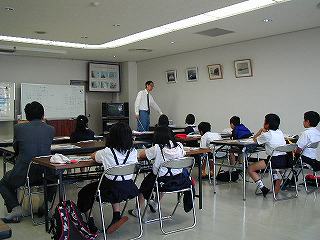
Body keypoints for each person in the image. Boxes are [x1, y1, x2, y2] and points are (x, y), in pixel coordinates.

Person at [77, 122, 138, 234]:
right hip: (128, 188)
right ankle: (116, 216)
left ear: (112, 137)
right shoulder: (133, 152)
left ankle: (90, 223)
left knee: (84, 193)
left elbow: (93, 156)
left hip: (109, 190)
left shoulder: (107, 152)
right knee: (116, 183)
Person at [0, 101, 56, 223]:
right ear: (43, 115)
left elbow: (16, 148)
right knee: (56, 178)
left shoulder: (18, 128)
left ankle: (15, 209)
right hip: (45, 173)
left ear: (27, 116)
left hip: (24, 174)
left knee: (3, 183)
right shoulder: (51, 129)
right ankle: (46, 205)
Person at [128, 126, 186, 217]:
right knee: (163, 180)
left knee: (144, 186)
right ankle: (155, 203)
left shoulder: (157, 148)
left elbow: (141, 155)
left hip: (160, 179)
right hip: (177, 179)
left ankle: (137, 210)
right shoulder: (179, 146)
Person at [248, 113, 287, 197]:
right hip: (285, 160)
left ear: (267, 124)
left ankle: (263, 188)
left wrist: (260, 131)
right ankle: (276, 185)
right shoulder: (280, 132)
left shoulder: (267, 135)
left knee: (250, 168)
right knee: (275, 169)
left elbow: (254, 140)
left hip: (273, 161)